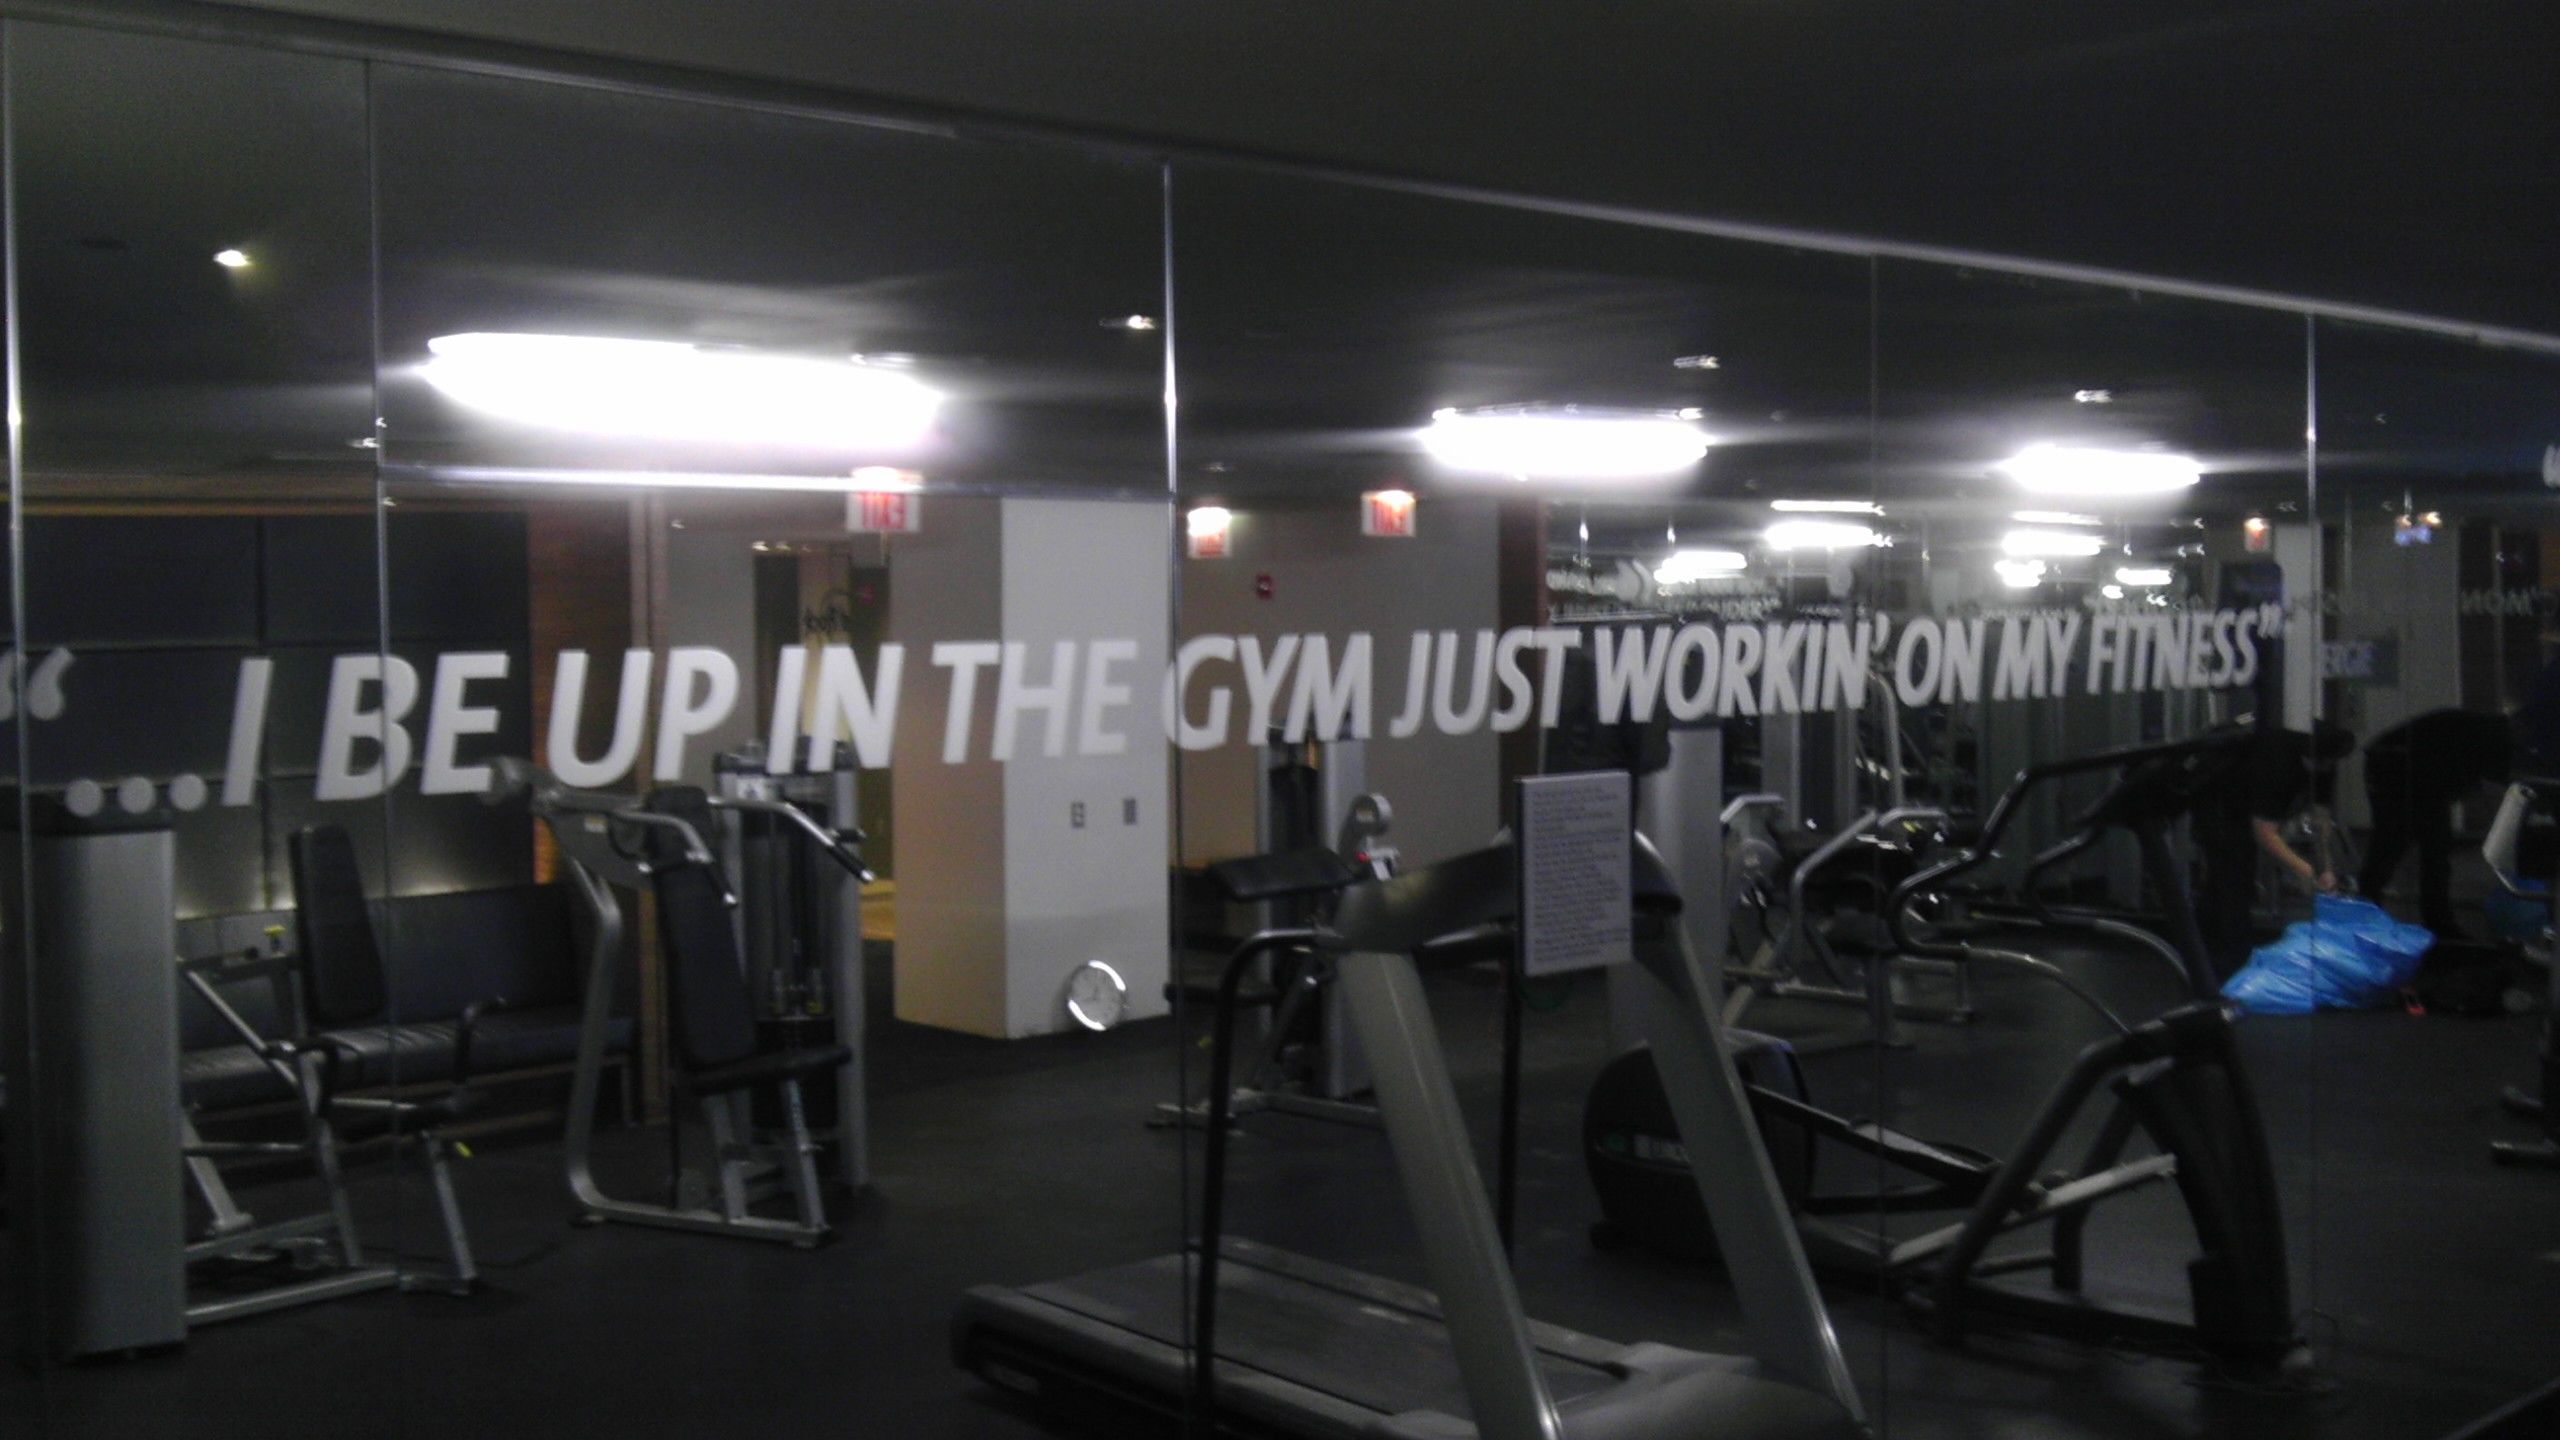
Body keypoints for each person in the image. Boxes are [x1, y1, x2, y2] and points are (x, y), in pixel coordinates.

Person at [2193, 720, 2356, 979]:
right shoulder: (2278, 763)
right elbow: (2264, 832)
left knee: (2224, 883)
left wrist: (2325, 867)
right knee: (2233, 880)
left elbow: (2320, 818)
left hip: (2242, 802)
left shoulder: (2325, 764)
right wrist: (2302, 868)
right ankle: (2229, 965)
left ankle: (2201, 951)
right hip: (2219, 802)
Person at [2357, 707, 2515, 936]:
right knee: (2395, 842)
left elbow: (2480, 785)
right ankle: (2369, 915)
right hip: (2395, 764)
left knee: (2429, 846)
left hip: (2404, 763)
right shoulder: (2492, 738)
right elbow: (2486, 785)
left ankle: (2433, 920)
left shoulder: (2489, 732)